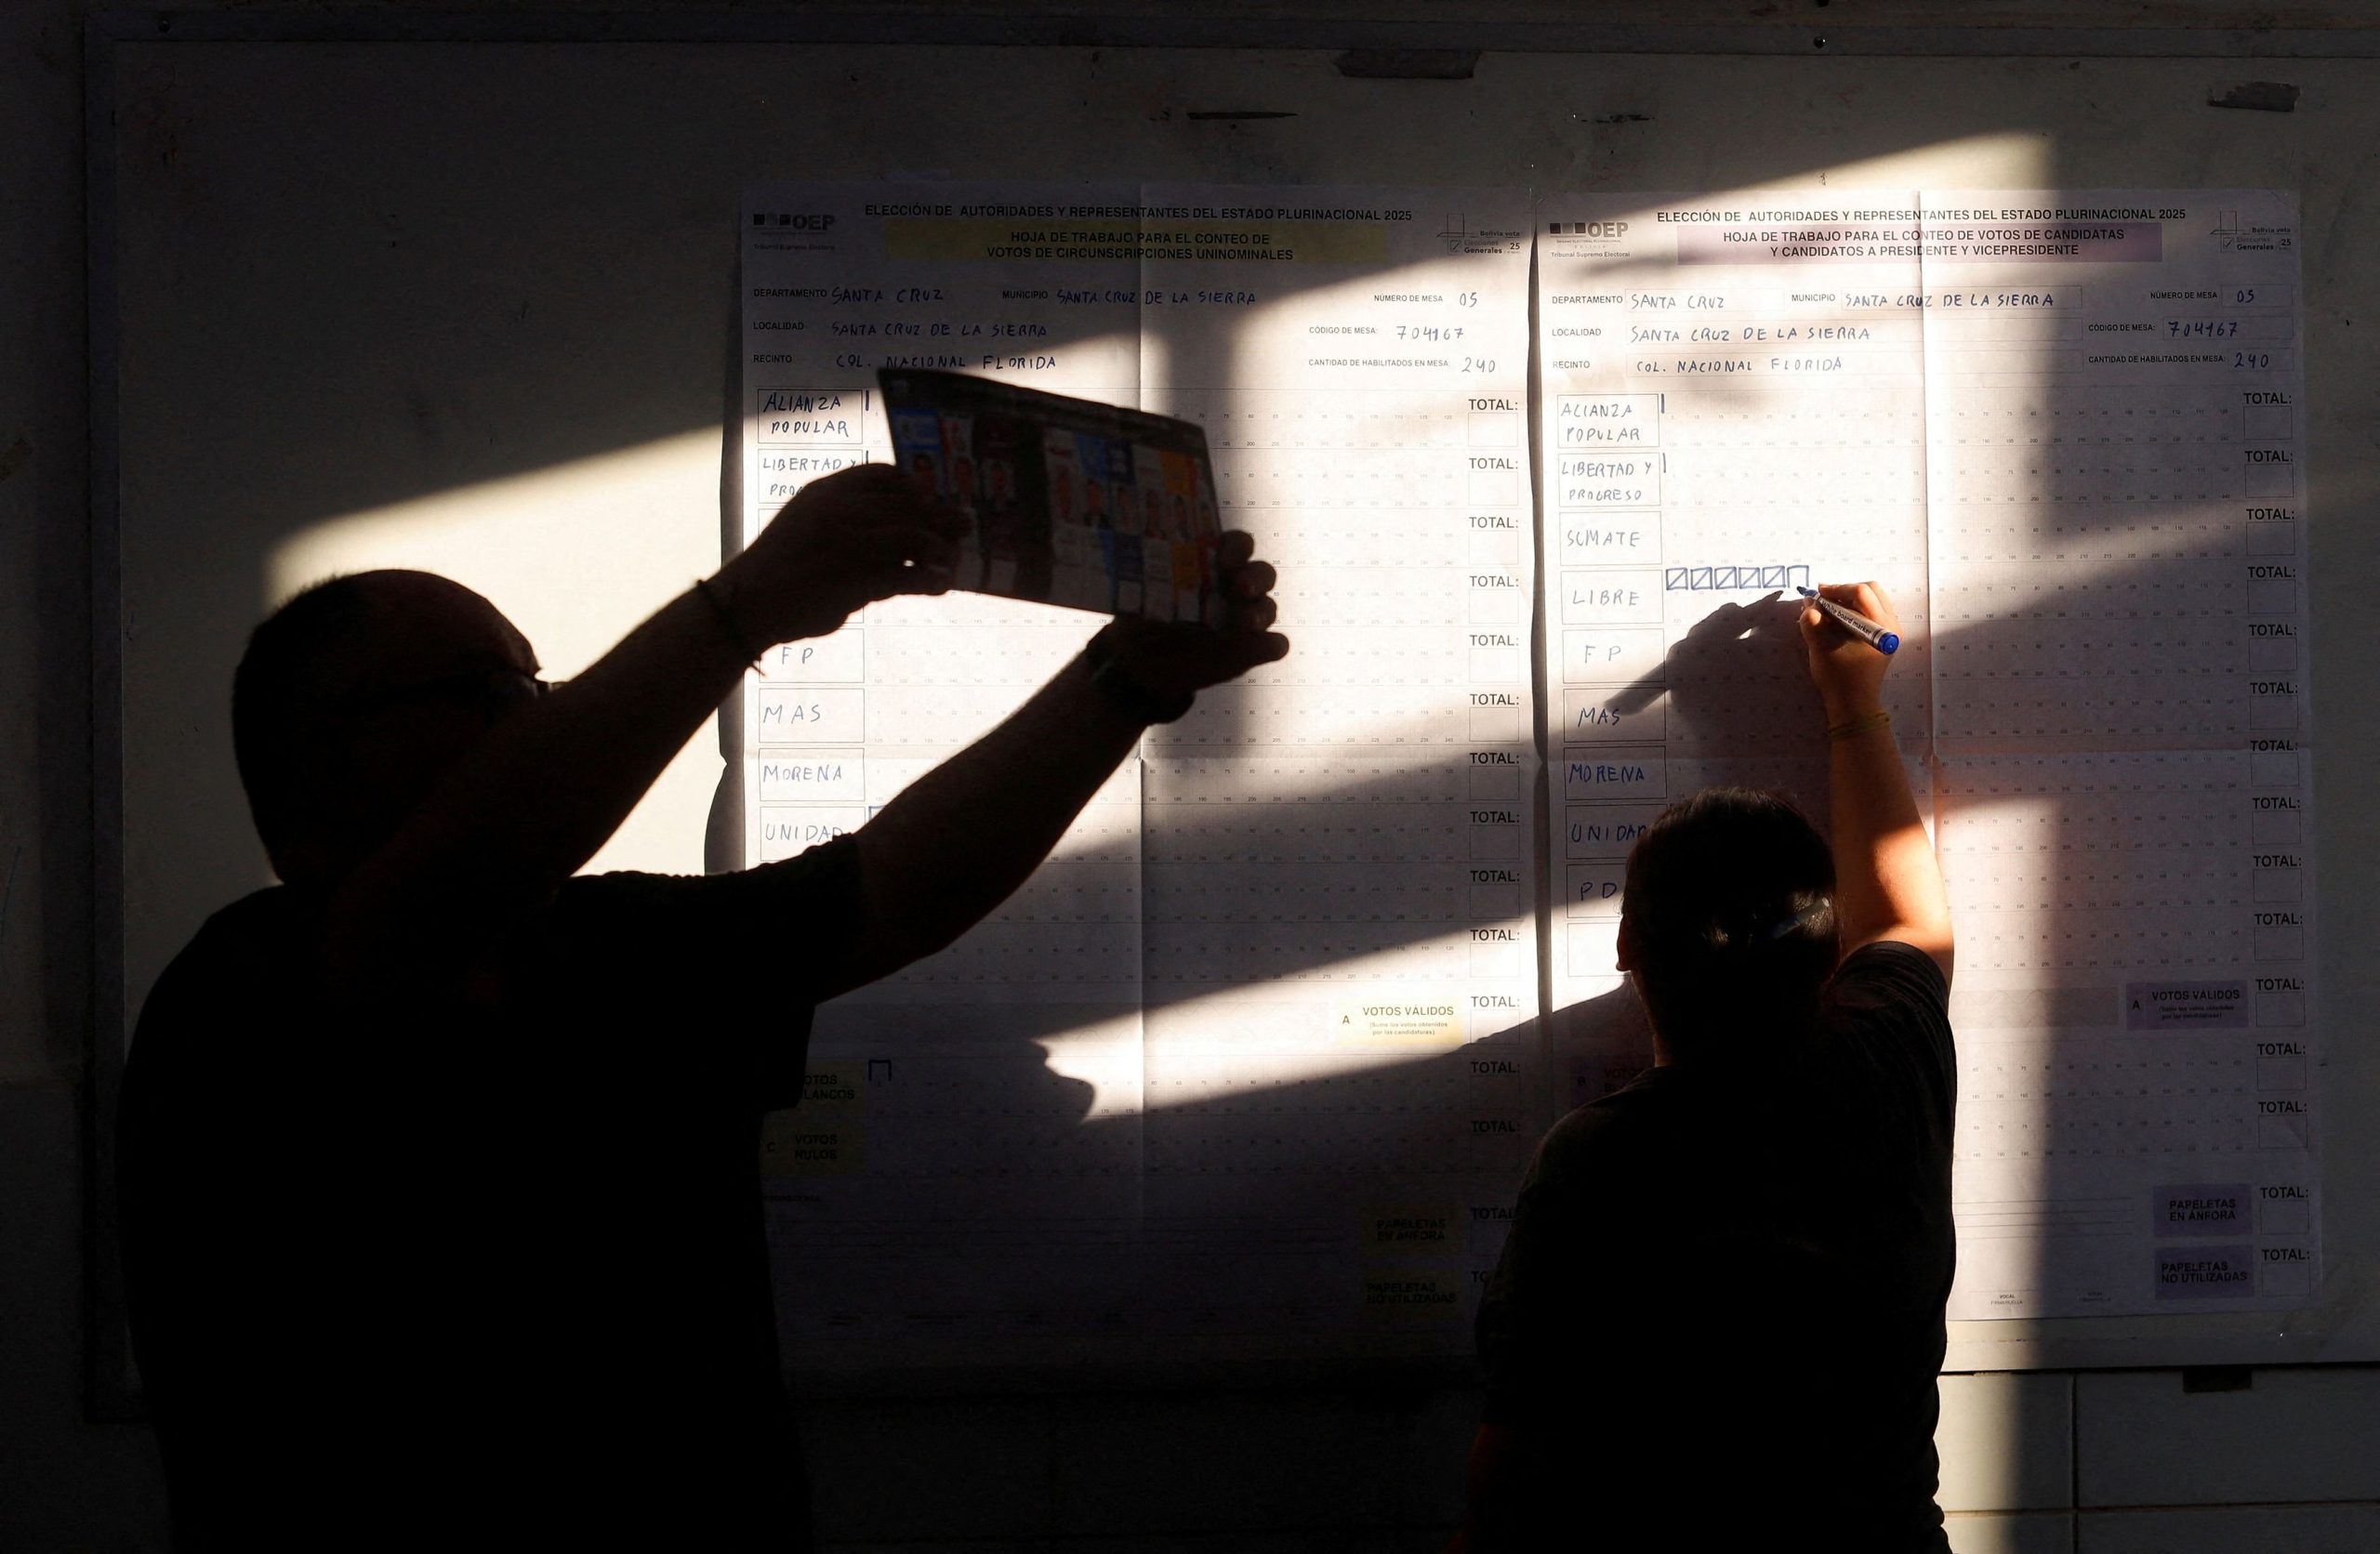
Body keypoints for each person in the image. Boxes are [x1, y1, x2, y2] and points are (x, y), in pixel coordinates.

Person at [117, 463, 1288, 1551]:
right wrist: (747, 606)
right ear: (324, 758)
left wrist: (1127, 679)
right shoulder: (242, 994)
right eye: (488, 688)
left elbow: (893, 886)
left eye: (537, 682)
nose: (540, 711)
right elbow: (441, 898)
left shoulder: (606, 946)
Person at [1459, 581, 1956, 1553]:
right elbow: (1909, 921)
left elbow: (1510, 1475)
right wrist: (1853, 698)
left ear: (1626, 947)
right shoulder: (1889, 1071)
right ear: (1827, 951)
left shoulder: (1598, 1160)